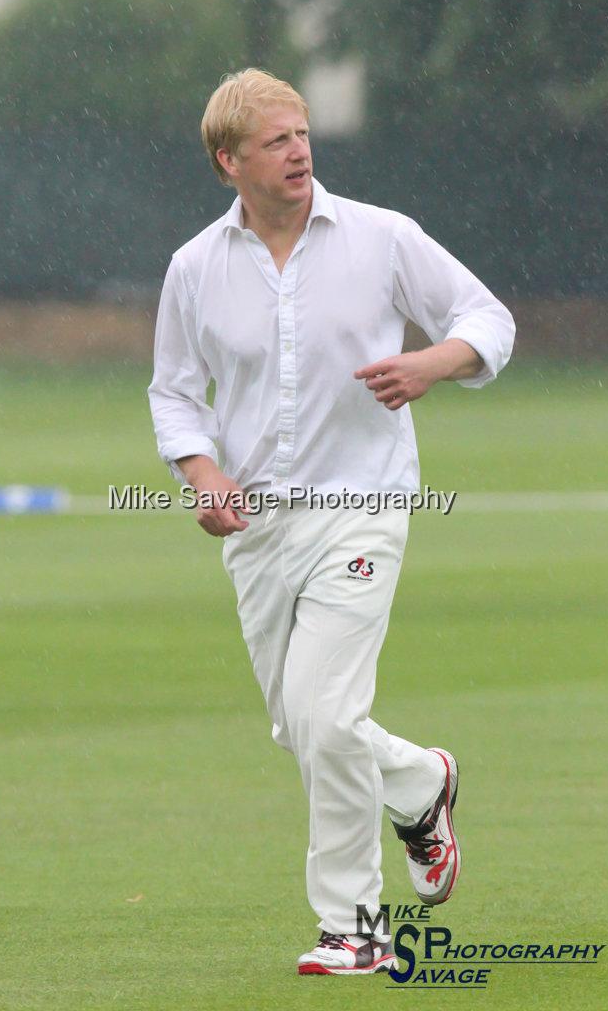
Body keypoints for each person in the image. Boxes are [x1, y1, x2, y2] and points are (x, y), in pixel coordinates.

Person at [148, 69, 515, 976]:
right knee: (304, 728)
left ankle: (354, 927)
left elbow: (488, 319)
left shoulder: (382, 237)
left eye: (302, 134)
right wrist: (201, 474)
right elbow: (173, 392)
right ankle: (422, 784)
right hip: (257, 533)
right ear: (228, 161)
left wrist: (432, 363)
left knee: (324, 714)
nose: (299, 151)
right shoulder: (195, 267)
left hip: (365, 510)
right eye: (275, 141)